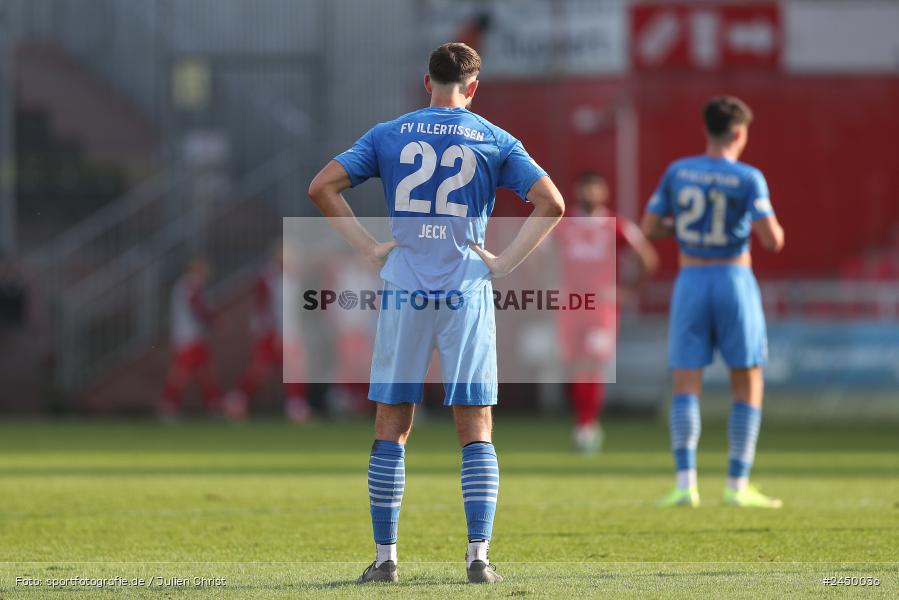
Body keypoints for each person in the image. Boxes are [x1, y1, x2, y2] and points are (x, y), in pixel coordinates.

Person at [308, 43, 564, 584]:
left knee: (392, 422)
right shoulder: (495, 139)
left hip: (405, 286)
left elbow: (322, 187)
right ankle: (477, 559)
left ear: (428, 82)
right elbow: (552, 203)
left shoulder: (389, 133)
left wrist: (367, 247)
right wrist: (504, 262)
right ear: (473, 88)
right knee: (475, 425)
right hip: (465, 287)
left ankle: (384, 561)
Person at [641, 96, 785, 508]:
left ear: (706, 130)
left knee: (686, 382)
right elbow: (772, 239)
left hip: (691, 279)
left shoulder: (678, 172)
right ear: (739, 133)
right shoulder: (748, 177)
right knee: (747, 378)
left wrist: (687, 228)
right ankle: (737, 485)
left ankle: (685, 484)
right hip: (733, 278)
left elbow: (650, 227)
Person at [557, 171, 657, 452]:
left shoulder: (617, 225)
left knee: (594, 363)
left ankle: (587, 426)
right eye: (585, 188)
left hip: (600, 306)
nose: (590, 193)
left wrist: (627, 291)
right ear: (576, 191)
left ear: (604, 192)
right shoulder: (564, 225)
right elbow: (536, 255)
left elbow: (648, 259)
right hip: (571, 305)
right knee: (576, 366)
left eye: (595, 188)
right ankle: (584, 423)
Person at [224, 246, 311, 423]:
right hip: (274, 333)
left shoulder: (291, 280)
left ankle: (295, 405)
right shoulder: (271, 279)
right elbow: (267, 309)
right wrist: (273, 331)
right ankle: (238, 400)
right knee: (261, 370)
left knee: (292, 370)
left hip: (289, 332)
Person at [160, 258, 221, 416]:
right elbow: (197, 307)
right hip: (189, 335)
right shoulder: (191, 285)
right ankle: (169, 404)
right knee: (183, 372)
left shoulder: (185, 285)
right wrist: (212, 320)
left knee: (203, 371)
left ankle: (212, 404)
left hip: (190, 335)